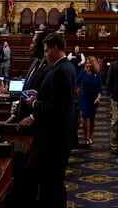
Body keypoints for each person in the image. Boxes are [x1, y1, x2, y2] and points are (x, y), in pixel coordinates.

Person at [19, 33, 76, 208]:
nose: (45, 54)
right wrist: (40, 96)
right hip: (58, 136)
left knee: (51, 184)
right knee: (53, 183)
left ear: (55, 48)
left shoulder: (59, 71)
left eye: (46, 51)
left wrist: (34, 102)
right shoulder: (67, 67)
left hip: (53, 139)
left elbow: (54, 108)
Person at [76, 55, 102, 146]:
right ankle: (86, 137)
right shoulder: (82, 73)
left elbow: (100, 88)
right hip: (84, 97)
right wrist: (77, 91)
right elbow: (76, 82)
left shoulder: (97, 74)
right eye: (87, 62)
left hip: (94, 99)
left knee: (92, 118)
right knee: (84, 116)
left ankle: (90, 136)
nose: (88, 64)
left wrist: (98, 97)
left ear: (94, 64)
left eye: (90, 62)